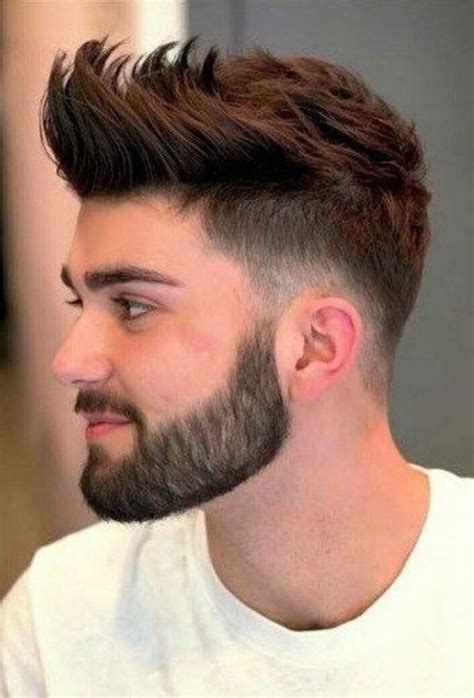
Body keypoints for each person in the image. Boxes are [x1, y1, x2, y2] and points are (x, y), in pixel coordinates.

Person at [0, 35, 472, 697]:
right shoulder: (59, 626)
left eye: (133, 306)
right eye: (82, 303)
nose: (69, 361)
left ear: (314, 347)